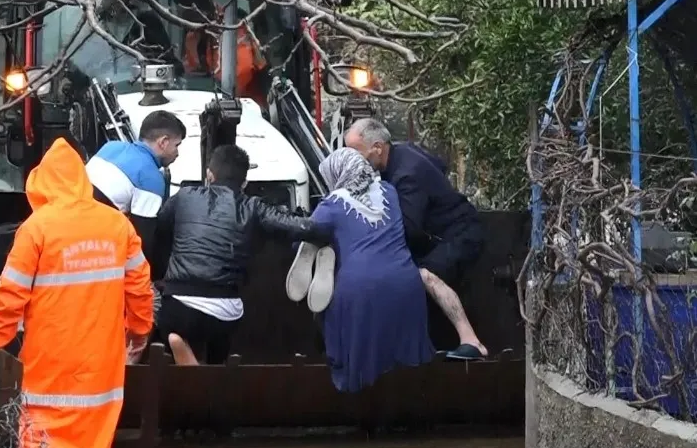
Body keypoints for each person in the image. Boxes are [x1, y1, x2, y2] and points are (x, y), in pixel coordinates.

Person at [0, 137, 154, 448]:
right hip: (102, 369)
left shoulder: (37, 228)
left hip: (50, 366)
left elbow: (11, 294)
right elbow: (139, 286)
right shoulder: (117, 225)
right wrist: (140, 331)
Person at [154, 144, 332, 364]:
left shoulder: (184, 197)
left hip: (179, 303)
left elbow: (159, 230)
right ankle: (211, 370)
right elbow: (297, 227)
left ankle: (186, 360)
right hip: (224, 307)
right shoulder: (253, 207)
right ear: (245, 183)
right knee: (220, 347)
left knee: (168, 327)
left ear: (209, 175)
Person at [287, 148, 436, 392]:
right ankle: (406, 398)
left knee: (334, 326)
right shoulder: (390, 192)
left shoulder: (332, 204)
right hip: (406, 283)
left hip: (360, 288)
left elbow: (302, 235)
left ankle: (356, 393)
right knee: (402, 357)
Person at [344, 118, 489, 360]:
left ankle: (471, 341)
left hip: (460, 234)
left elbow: (408, 229)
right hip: (441, 234)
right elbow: (439, 165)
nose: (353, 161)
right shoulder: (402, 151)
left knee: (425, 275)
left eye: (356, 153)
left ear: (377, 147)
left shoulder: (406, 174)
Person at [85, 109, 186, 272]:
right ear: (163, 142)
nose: (177, 153)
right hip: (92, 246)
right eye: (176, 145)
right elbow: (143, 241)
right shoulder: (150, 179)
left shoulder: (110, 147)